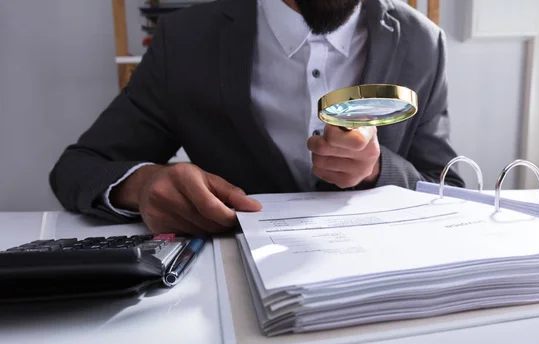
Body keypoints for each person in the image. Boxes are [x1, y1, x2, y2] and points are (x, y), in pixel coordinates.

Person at [49, 0, 464, 235]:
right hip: (222, 293)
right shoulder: (185, 40)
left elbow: (449, 187)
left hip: (380, 292)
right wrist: (143, 186)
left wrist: (376, 170)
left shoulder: (423, 42)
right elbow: (78, 168)